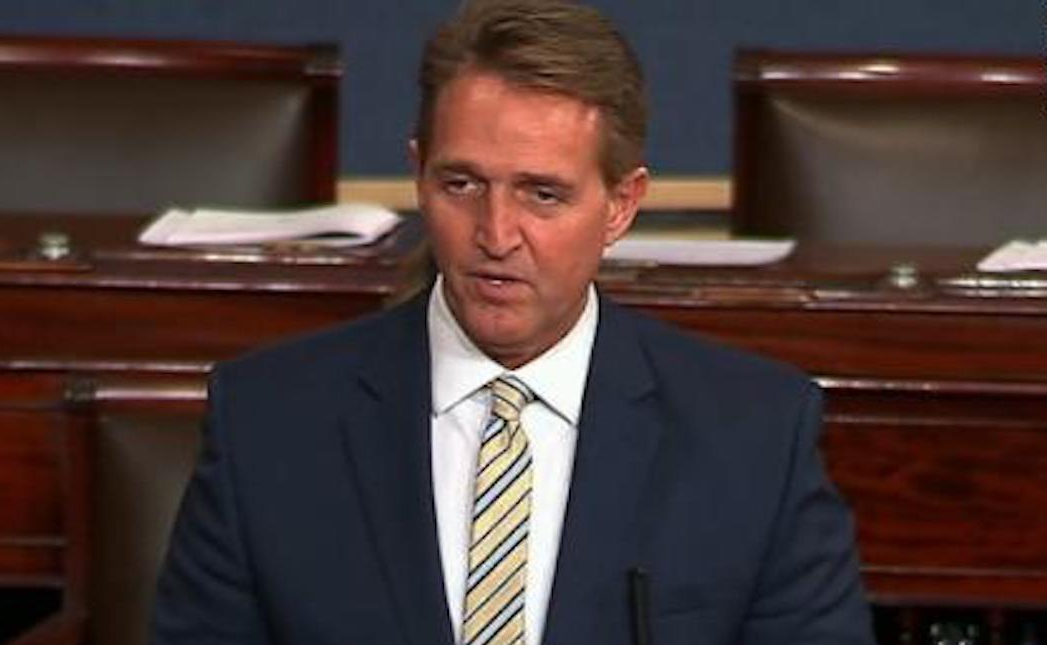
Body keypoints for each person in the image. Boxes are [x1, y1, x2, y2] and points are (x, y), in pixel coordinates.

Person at [151, 1, 875, 643]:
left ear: (621, 204)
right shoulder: (268, 421)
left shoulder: (752, 437)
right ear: (417, 173)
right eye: (461, 184)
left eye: (542, 194)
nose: (495, 233)